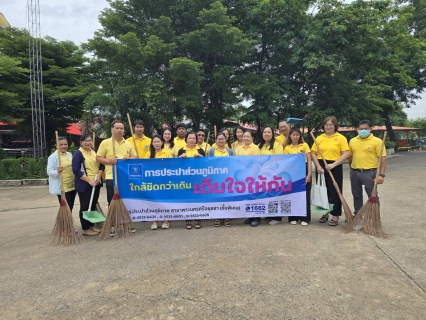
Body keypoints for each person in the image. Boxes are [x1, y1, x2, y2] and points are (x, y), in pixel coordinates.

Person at [311, 116, 349, 226]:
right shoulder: (319, 138)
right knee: (323, 191)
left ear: (335, 126)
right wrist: (318, 166)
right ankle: (325, 213)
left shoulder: (340, 138)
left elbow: (346, 153)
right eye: (326, 125)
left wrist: (334, 164)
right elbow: (313, 152)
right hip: (321, 166)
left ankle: (335, 215)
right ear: (323, 126)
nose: (328, 127)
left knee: (335, 191)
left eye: (330, 125)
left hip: (335, 165)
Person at [349, 120, 386, 217]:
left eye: (366, 129)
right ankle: (357, 215)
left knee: (372, 195)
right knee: (356, 195)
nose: (363, 131)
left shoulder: (377, 141)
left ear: (370, 129)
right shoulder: (352, 141)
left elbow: (383, 158)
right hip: (355, 172)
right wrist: (351, 170)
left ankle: (374, 217)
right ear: (357, 129)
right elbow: (350, 157)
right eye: (361, 129)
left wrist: (381, 175)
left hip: (370, 173)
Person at [96, 120, 137, 207]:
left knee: (125, 200)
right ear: (112, 129)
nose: (119, 130)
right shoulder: (105, 143)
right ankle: (113, 218)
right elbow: (98, 158)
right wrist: (109, 161)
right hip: (111, 176)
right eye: (117, 128)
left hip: (125, 176)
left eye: (121, 128)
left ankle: (124, 218)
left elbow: (136, 157)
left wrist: (129, 158)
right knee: (112, 200)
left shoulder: (128, 144)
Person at [72, 133, 104, 236]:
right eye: (85, 141)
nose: (88, 142)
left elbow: (102, 165)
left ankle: (91, 226)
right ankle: (85, 228)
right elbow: (76, 170)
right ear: (81, 142)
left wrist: (99, 176)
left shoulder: (94, 152)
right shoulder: (78, 154)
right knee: (85, 206)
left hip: (96, 182)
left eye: (89, 140)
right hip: (85, 183)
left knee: (93, 205)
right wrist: (89, 181)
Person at [177, 132, 206, 230]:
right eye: (190, 138)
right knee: (187, 199)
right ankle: (188, 219)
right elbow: (176, 165)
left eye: (194, 138)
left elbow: (206, 164)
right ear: (186, 139)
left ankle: (198, 219)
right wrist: (180, 158)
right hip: (186, 179)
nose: (192, 140)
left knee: (198, 199)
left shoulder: (200, 150)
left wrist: (201, 158)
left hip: (198, 179)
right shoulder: (181, 150)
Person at [284, 128, 312, 226]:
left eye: (297, 135)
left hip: (304, 171)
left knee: (305, 195)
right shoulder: (287, 148)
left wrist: (309, 174)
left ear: (300, 136)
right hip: (293, 172)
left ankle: (305, 218)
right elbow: (286, 163)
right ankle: (293, 217)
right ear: (290, 136)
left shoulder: (305, 145)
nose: (295, 137)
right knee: (293, 195)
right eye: (293, 135)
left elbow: (309, 160)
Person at [258, 126, 284, 225]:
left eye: (269, 132)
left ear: (272, 134)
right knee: (266, 194)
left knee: (275, 194)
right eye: (265, 132)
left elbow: (279, 160)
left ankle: (277, 217)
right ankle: (269, 214)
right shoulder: (260, 145)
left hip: (274, 174)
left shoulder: (277, 145)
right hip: (262, 175)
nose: (267, 134)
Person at [145, 134, 172, 230]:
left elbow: (171, 166)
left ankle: (166, 220)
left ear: (162, 143)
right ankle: (155, 220)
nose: (156, 143)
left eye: (158, 141)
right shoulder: (148, 154)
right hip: (153, 182)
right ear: (152, 143)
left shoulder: (167, 153)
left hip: (165, 181)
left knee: (165, 201)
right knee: (154, 201)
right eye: (154, 142)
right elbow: (146, 168)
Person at [208, 132, 234, 227]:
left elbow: (233, 163)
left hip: (227, 179)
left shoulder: (230, 151)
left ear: (225, 139)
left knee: (227, 198)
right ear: (216, 140)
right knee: (217, 198)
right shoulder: (211, 151)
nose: (221, 141)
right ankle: (217, 217)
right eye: (219, 139)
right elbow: (208, 163)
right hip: (215, 179)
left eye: (222, 138)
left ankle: (226, 217)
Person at [47, 136, 76, 211]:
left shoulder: (69, 154)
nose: (63, 146)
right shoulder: (53, 157)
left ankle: (68, 222)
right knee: (66, 208)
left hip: (72, 185)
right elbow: (49, 171)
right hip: (63, 187)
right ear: (56, 145)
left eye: (65, 144)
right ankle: (64, 222)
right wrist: (57, 171)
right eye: (61, 145)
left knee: (71, 207)